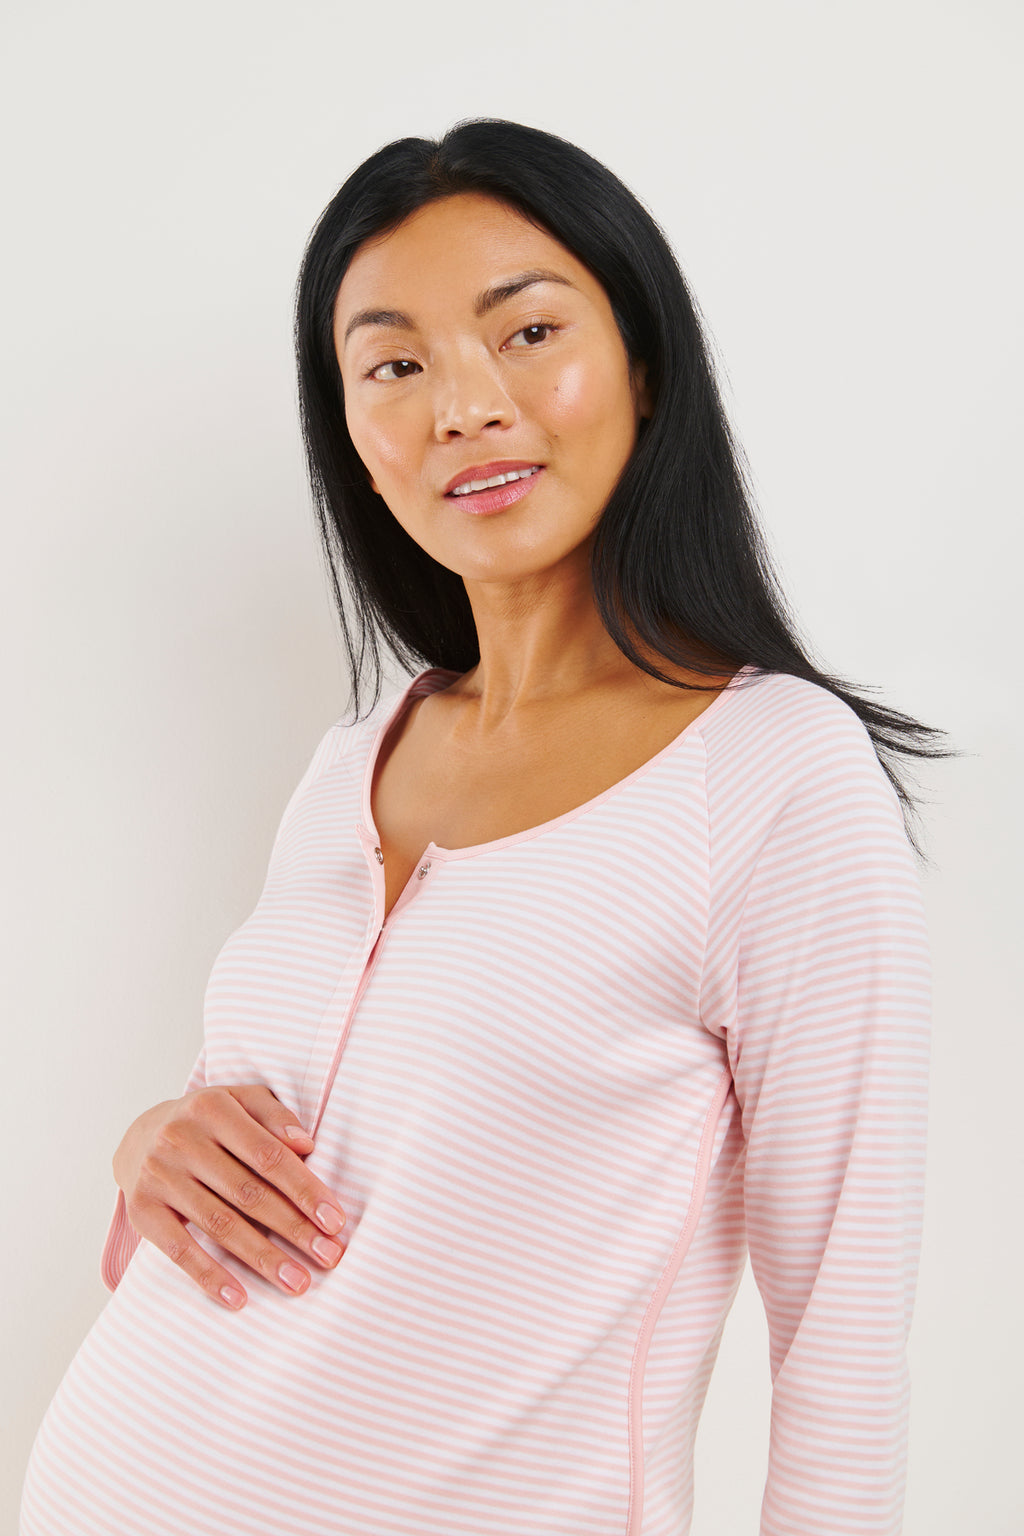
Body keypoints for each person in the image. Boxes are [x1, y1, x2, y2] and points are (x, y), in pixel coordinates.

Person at [20, 118, 942, 1536]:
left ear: (641, 360)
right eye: (395, 364)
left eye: (525, 333)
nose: (464, 405)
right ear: (355, 433)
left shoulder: (773, 775)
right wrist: (147, 1141)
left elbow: (841, 1351)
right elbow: (258, 1164)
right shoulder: (349, 762)